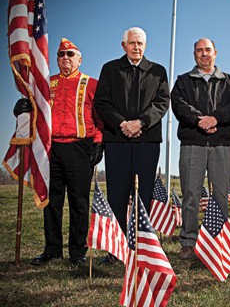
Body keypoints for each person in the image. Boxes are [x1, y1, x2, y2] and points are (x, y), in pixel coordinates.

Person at [94, 27, 170, 264]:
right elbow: (101, 102)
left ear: (145, 46)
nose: (136, 47)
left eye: (140, 44)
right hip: (117, 140)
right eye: (132, 43)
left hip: (147, 141)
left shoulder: (158, 71)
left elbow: (162, 102)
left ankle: (141, 248)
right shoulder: (110, 69)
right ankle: (116, 250)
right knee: (116, 194)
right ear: (123, 45)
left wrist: (141, 123)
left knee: (143, 194)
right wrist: (122, 124)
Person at [30, 38, 104, 267]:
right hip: (51, 148)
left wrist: (99, 143)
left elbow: (101, 118)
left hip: (79, 147)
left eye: (70, 54)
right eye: (61, 54)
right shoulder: (46, 84)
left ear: (80, 59)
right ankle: (52, 249)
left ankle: (77, 251)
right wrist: (23, 108)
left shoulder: (92, 84)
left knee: (79, 201)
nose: (65, 58)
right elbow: (35, 110)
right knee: (52, 201)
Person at [171, 38, 230, 259]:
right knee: (191, 193)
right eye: (199, 51)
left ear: (215, 53)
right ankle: (189, 242)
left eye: (207, 50)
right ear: (194, 55)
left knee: (221, 193)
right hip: (193, 143)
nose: (204, 54)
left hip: (221, 144)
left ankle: (218, 239)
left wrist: (215, 119)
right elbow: (179, 105)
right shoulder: (183, 81)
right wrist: (200, 120)